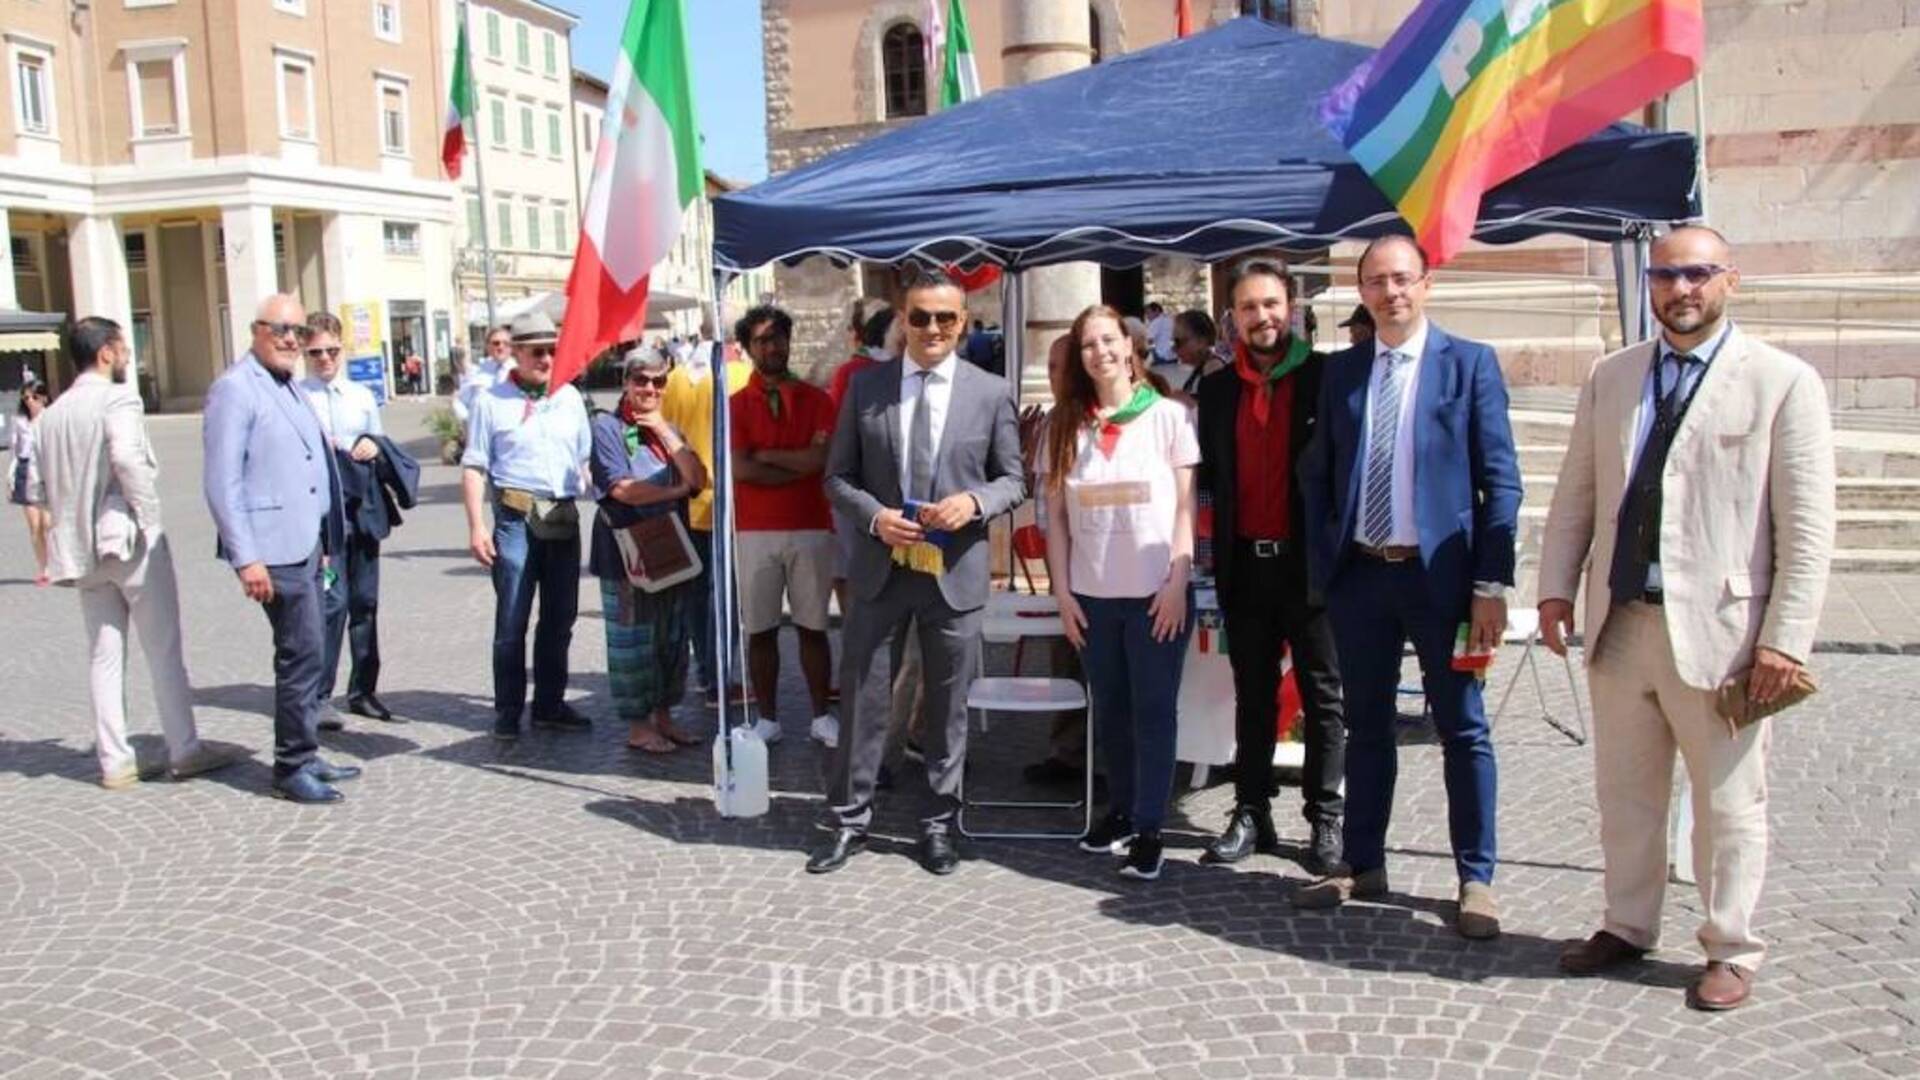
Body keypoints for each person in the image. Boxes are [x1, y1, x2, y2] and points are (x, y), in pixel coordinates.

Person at [1538, 226, 1836, 1011]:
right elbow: (1578, 493)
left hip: (1726, 636)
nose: (1681, 289)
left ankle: (1732, 945)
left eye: (1698, 273)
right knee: (1625, 792)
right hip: (1623, 619)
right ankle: (1627, 923)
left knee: (1728, 803)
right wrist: (1555, 588)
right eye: (1667, 275)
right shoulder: (1613, 376)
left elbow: (1807, 529)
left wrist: (1783, 640)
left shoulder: (1781, 381)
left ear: (1729, 280)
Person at [1294, 235, 1522, 938]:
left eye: (1402, 279)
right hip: (1362, 578)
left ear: (1426, 285)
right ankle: (1362, 864)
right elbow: (1318, 472)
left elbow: (1501, 481)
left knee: (1463, 728)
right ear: (1361, 292)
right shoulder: (1343, 372)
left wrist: (1490, 583)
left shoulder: (1470, 365)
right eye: (1376, 282)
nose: (1390, 292)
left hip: (1444, 583)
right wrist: (1324, 562)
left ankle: (1475, 878)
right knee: (1365, 726)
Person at [810, 269, 1027, 876]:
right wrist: (876, 518)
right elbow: (836, 477)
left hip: (953, 569)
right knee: (862, 698)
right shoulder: (866, 387)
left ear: (963, 324)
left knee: (947, 704)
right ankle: (849, 820)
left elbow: (1014, 477)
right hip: (882, 566)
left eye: (946, 319)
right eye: (921, 317)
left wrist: (975, 503)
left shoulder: (989, 391)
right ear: (902, 321)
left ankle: (938, 823)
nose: (933, 329)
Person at [1194, 260, 1348, 876]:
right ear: (1234, 317)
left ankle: (1326, 817)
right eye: (1250, 307)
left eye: (1272, 304)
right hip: (1244, 565)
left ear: (1293, 308)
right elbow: (1209, 481)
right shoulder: (1218, 387)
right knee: (1252, 696)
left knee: (1323, 695)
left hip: (1307, 566)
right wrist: (1207, 562)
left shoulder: (1324, 377)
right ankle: (1252, 810)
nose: (1263, 317)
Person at [39, 317, 239, 789]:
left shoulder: (54, 413)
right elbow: (127, 458)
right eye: (124, 347)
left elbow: (43, 486)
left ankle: (114, 759)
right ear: (106, 352)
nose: (128, 356)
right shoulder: (118, 398)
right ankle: (185, 748)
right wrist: (149, 518)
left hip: (82, 549)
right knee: (163, 648)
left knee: (103, 655)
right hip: (127, 539)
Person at [1040, 305, 1199, 880]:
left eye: (1109, 341)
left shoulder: (1169, 418)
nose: (1100, 352)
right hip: (1093, 596)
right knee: (1110, 711)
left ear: (1130, 347)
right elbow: (1055, 519)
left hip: (1157, 593)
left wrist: (1179, 581)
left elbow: (1186, 509)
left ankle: (1151, 827)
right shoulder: (1064, 425)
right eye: (1088, 344)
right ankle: (1123, 810)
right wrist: (1063, 594)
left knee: (1154, 712)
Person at [204, 294, 356, 804]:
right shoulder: (235, 389)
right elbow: (222, 482)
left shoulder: (288, 384)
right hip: (272, 551)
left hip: (307, 544)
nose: (291, 339)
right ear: (256, 330)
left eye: (297, 331)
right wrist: (246, 557)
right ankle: (290, 766)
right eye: (281, 330)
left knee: (311, 653)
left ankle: (306, 751)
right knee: (302, 655)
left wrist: (327, 540)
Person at [462, 310, 594, 742]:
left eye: (552, 351)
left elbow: (583, 456)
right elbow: (475, 467)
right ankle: (507, 711)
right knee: (512, 619)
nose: (546, 359)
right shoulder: (490, 400)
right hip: (516, 519)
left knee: (560, 617)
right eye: (537, 351)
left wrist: (587, 476)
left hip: (561, 517)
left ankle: (550, 705)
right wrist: (477, 526)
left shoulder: (570, 397)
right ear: (515, 353)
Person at [589, 348, 710, 754]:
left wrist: (664, 430)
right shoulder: (606, 427)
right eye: (641, 380)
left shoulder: (667, 427)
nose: (650, 388)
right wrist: (674, 490)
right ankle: (638, 725)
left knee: (671, 638)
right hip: (626, 550)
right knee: (633, 639)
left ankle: (663, 716)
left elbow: (697, 478)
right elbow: (622, 488)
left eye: (659, 381)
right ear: (626, 382)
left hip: (670, 546)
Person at [729, 305, 839, 748]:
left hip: (811, 522)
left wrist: (766, 456)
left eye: (779, 337)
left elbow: (820, 461)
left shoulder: (818, 399)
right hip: (754, 528)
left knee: (814, 626)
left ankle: (820, 715)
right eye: (762, 340)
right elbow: (740, 468)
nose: (773, 347)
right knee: (761, 628)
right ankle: (768, 717)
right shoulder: (735, 404)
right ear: (748, 348)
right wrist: (796, 464)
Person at [300, 311, 395, 730]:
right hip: (322, 517)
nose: (324, 359)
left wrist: (372, 448)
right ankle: (320, 693)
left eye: (331, 350)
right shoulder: (298, 397)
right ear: (305, 351)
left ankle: (363, 690)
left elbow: (381, 442)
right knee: (331, 601)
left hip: (362, 509)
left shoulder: (360, 396)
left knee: (365, 601)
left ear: (342, 348)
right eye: (316, 352)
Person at [661, 324, 752, 704]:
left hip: (688, 497)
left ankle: (704, 673)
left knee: (698, 596)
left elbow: (668, 432)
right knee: (725, 597)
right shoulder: (741, 375)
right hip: (726, 500)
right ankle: (720, 678)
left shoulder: (676, 377)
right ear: (736, 344)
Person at [10, 380, 50, 585]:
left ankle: (57, 564)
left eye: (34, 397)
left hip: (47, 471)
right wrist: (10, 478)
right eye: (25, 398)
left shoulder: (51, 418)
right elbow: (15, 452)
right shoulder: (19, 421)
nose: (29, 401)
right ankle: (43, 569)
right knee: (35, 526)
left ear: (43, 397)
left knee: (48, 523)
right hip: (25, 471)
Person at [454, 324, 515, 429]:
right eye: (496, 343)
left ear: (511, 347)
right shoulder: (477, 372)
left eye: (506, 343)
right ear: (488, 347)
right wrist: (468, 420)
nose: (500, 347)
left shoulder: (520, 371)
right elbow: (460, 401)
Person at [1145, 301, 1175, 366]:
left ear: (1157, 311)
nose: (1147, 316)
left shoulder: (1156, 321)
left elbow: (1148, 340)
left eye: (1148, 313)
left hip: (1161, 356)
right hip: (1173, 356)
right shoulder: (1170, 319)